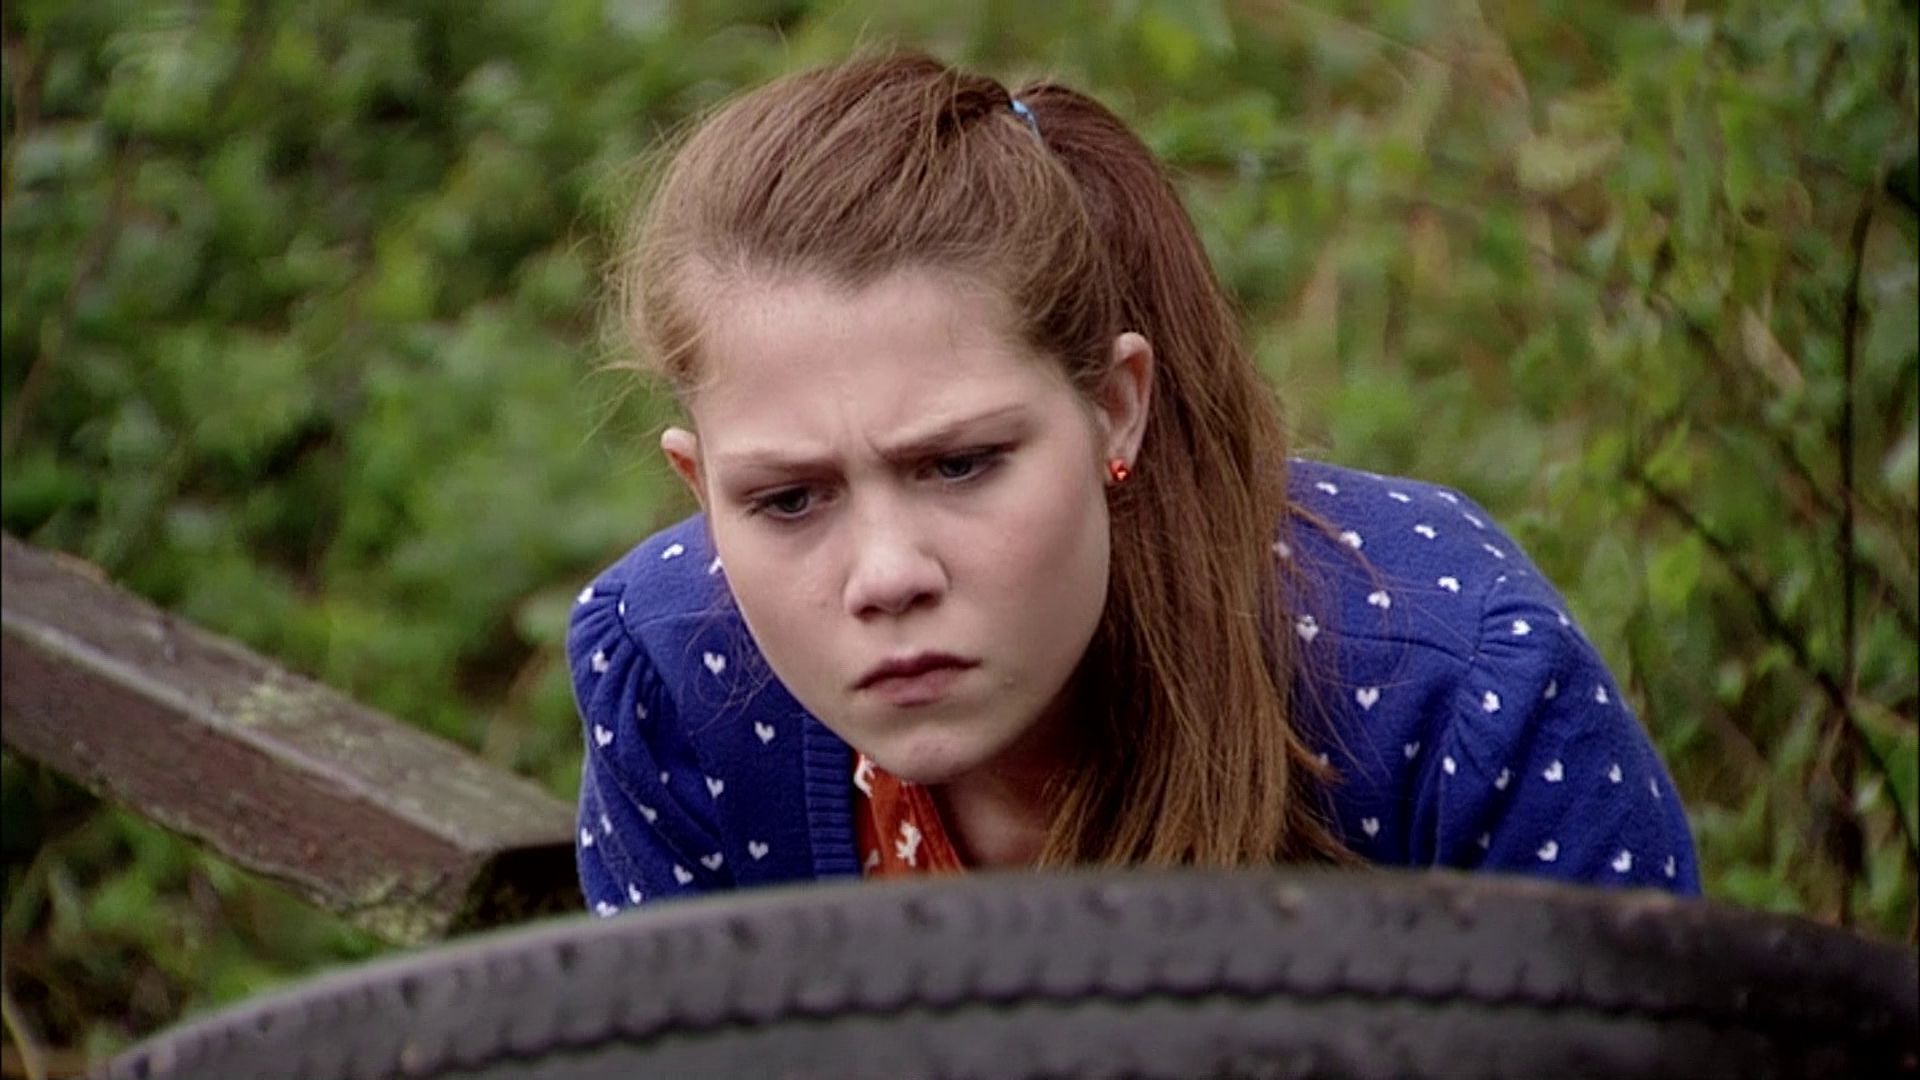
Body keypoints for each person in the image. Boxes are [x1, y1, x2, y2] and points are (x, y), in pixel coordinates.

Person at [567, 53, 1698, 915]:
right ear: (699, 487)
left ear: (1116, 405)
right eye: (788, 500)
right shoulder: (674, 680)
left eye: (959, 464)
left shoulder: (1449, 687)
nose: (887, 575)